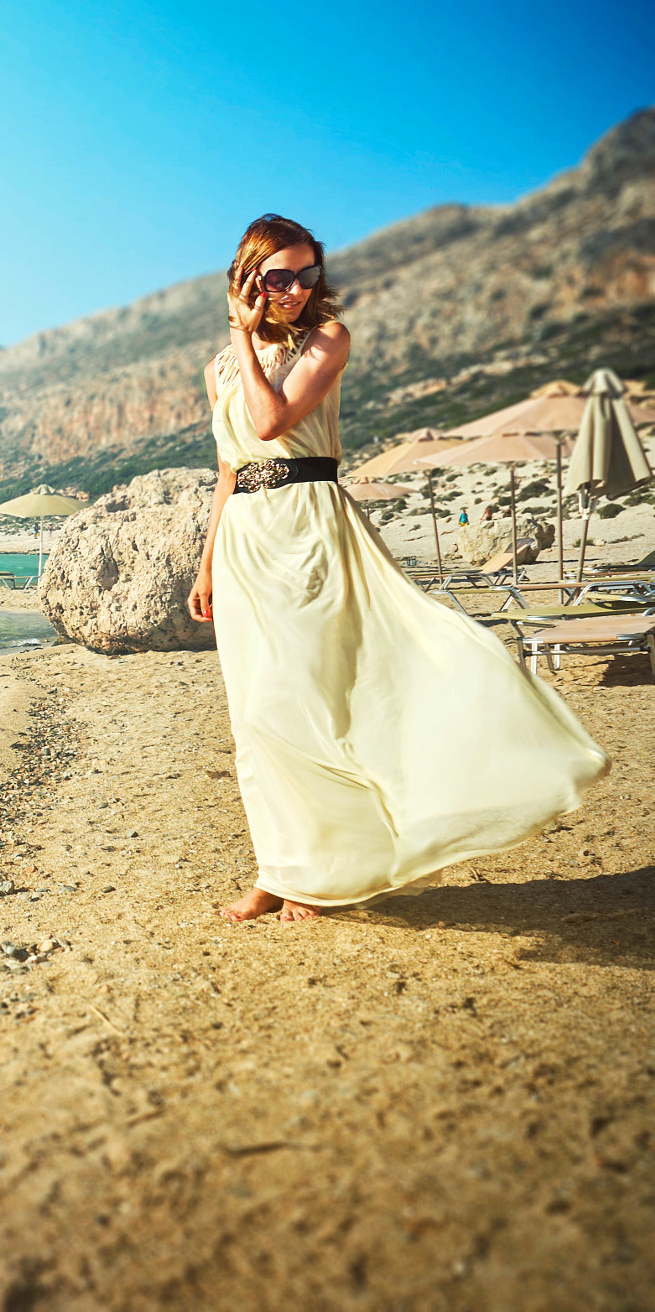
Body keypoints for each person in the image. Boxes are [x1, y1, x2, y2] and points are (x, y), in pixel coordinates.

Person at [187, 214, 609, 922]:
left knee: (309, 701)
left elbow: (269, 423)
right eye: (280, 277)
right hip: (246, 543)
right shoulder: (218, 369)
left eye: (307, 273)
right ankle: (276, 866)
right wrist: (206, 564)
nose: (296, 289)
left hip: (310, 528)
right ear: (251, 277)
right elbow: (230, 469)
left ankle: (319, 873)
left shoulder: (328, 338)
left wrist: (241, 332)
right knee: (254, 713)